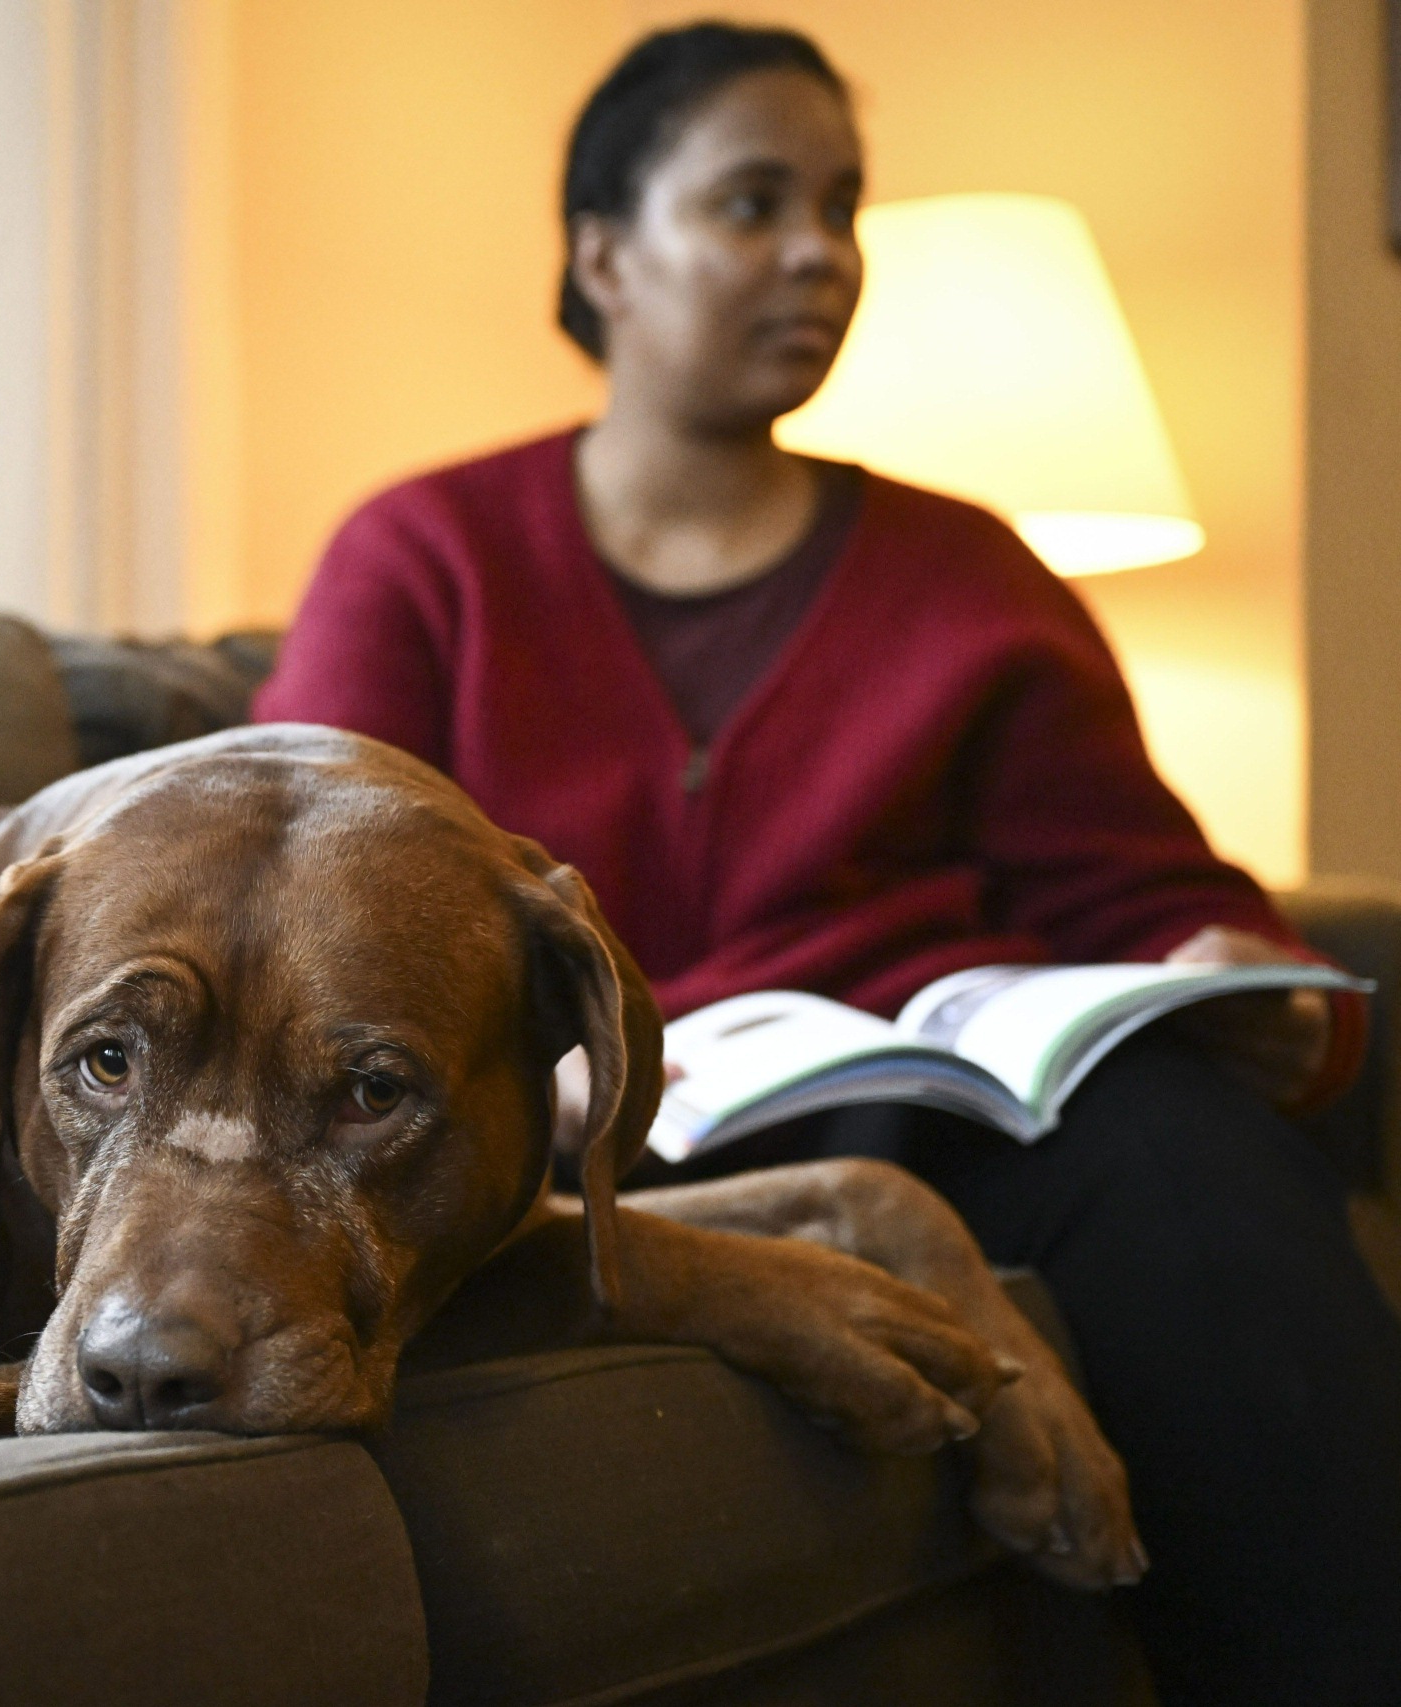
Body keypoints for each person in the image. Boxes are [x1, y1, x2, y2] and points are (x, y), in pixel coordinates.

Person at [252, 22, 1401, 1707]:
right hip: (613, 1131)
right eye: (753, 204)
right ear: (604, 257)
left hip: (931, 1101)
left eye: (840, 208)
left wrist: (1226, 965)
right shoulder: (424, 559)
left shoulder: (968, 572)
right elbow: (306, 902)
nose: (819, 252)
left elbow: (1141, 887)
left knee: (1190, 1152)